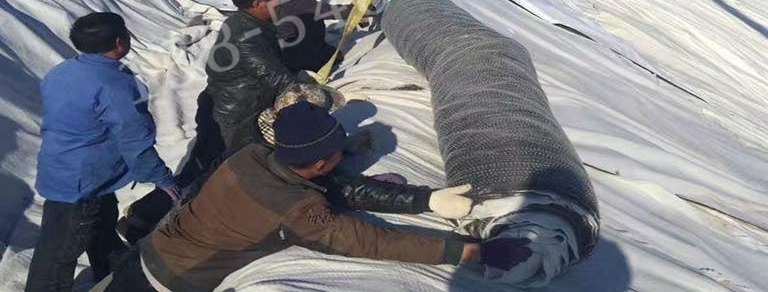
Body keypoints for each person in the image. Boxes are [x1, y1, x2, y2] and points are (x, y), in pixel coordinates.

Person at [102, 103, 531, 291]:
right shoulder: (298, 210)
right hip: (174, 281)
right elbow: (372, 241)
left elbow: (333, 189)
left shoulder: (251, 157)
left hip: (151, 249)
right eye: (338, 152)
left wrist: (425, 200)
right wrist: (470, 251)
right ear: (321, 160)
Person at [117, 0, 301, 245]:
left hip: (223, 106)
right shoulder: (246, 38)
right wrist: (316, 94)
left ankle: (142, 217)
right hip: (234, 114)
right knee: (214, 173)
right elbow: (277, 77)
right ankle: (158, 224)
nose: (280, 3)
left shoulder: (245, 23)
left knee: (200, 168)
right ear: (258, 4)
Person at [25, 13, 178, 292]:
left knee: (101, 232)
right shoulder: (115, 85)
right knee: (58, 254)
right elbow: (135, 141)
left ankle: (116, 278)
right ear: (120, 42)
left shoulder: (61, 72)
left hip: (61, 166)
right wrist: (164, 180)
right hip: (84, 181)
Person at [274, 0, 353, 73]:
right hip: (300, 51)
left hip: (305, 41)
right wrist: (358, 8)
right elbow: (331, 12)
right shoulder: (296, 3)